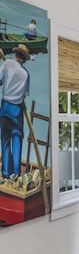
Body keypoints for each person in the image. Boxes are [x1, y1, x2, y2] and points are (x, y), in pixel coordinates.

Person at [0, 43, 30, 180]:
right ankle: (16, 173)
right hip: (16, 109)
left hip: (5, 106)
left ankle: (6, 173)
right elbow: (24, 95)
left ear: (16, 54)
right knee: (17, 139)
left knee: (5, 140)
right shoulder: (25, 74)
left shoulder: (7, 64)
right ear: (24, 59)